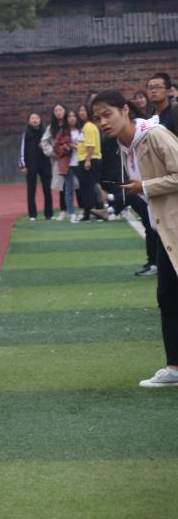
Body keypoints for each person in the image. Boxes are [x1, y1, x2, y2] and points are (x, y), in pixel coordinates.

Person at [92, 90, 178, 387]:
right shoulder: (123, 147)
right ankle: (174, 367)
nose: (103, 122)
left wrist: (146, 186)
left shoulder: (154, 135)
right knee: (167, 297)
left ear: (125, 110)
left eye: (107, 114)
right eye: (98, 118)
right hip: (164, 230)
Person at [20, 112, 53, 220]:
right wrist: (23, 165)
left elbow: (51, 146)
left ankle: (49, 214)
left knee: (47, 189)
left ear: (40, 120)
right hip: (31, 165)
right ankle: (32, 214)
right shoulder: (26, 134)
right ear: (29, 121)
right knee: (31, 190)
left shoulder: (45, 133)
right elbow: (22, 150)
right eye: (32, 118)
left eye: (37, 118)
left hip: (45, 163)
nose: (35, 120)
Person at [76, 104, 103, 221]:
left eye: (84, 110)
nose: (81, 112)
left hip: (90, 160)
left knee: (88, 188)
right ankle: (92, 211)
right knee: (88, 187)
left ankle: (93, 211)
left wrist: (87, 160)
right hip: (88, 158)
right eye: (80, 110)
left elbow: (91, 145)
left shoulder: (88, 126)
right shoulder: (88, 126)